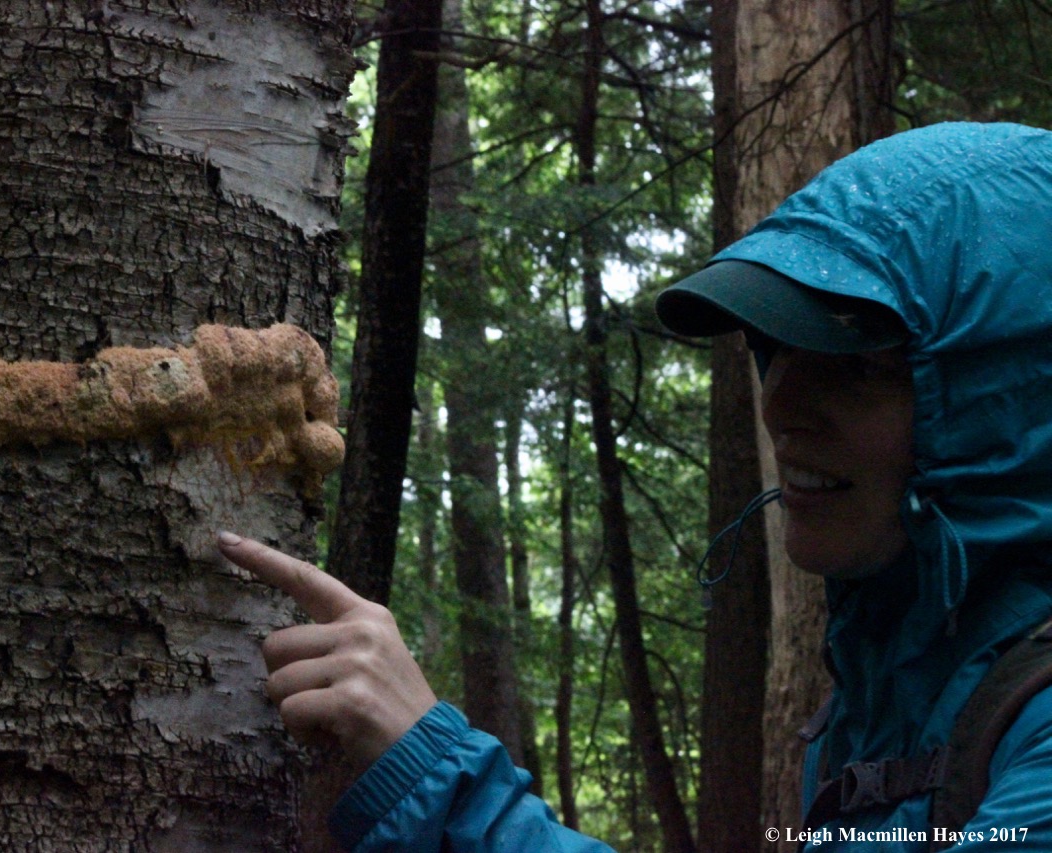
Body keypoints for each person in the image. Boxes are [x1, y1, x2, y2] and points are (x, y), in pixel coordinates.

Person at [218, 121, 1052, 851]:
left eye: (858, 363)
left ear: (1007, 404)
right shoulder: (886, 699)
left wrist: (445, 786)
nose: (782, 402)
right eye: (778, 348)